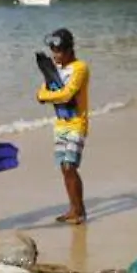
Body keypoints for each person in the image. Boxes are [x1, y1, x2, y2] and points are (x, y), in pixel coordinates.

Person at [36, 28, 90, 224]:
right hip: (60, 125)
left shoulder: (80, 68)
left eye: (58, 51)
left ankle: (80, 211)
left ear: (69, 50)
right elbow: (42, 90)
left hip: (77, 123)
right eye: (53, 51)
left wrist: (45, 96)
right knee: (64, 168)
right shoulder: (54, 69)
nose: (55, 55)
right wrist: (46, 95)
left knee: (70, 166)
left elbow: (67, 94)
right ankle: (74, 209)